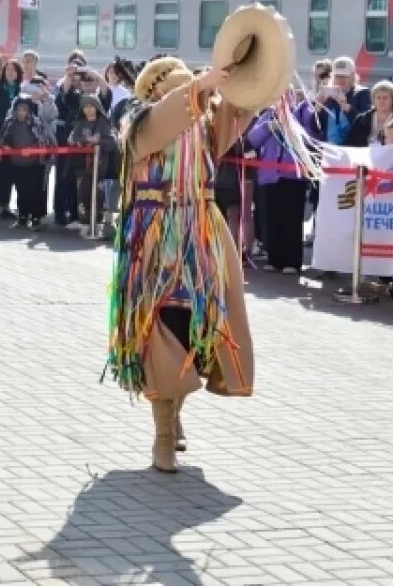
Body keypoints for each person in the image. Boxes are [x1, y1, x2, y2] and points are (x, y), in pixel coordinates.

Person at [104, 56, 265, 474]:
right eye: (183, 86)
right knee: (163, 328)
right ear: (157, 92)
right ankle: (162, 435)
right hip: (157, 242)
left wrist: (253, 78)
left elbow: (239, 110)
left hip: (202, 238)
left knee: (199, 327)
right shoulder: (139, 126)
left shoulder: (203, 129)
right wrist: (200, 84)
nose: (195, 93)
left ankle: (174, 415)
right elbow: (167, 116)